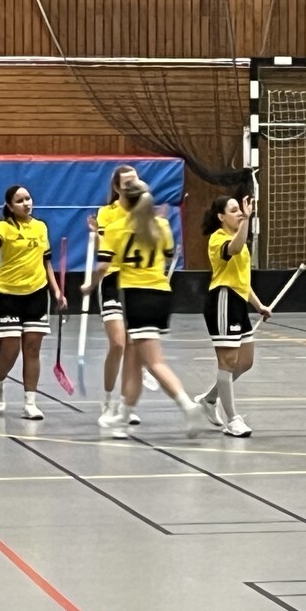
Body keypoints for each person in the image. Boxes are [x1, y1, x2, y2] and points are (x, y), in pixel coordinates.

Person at [90, 180, 204, 437]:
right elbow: (169, 254)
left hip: (137, 297)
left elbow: (103, 266)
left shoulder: (117, 228)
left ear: (125, 201)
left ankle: (187, 405)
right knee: (134, 360)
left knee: (154, 362)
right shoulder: (161, 225)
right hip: (161, 294)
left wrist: (89, 286)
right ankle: (124, 414)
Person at [0, 185, 66, 419]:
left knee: (32, 349)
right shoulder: (3, 227)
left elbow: (46, 262)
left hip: (36, 294)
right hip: (7, 295)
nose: (26, 203)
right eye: (19, 201)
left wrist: (57, 291)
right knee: (10, 351)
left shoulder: (40, 227)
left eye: (28, 198)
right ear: (10, 206)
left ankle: (30, 402)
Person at [196, 195, 270, 438]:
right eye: (234, 210)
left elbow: (242, 281)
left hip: (238, 301)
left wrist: (259, 305)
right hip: (223, 300)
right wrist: (247, 220)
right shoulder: (218, 239)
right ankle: (233, 420)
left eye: (241, 210)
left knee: (245, 361)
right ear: (221, 217)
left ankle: (209, 399)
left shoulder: (241, 241)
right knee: (227, 362)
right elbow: (234, 248)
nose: (239, 213)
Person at [89, 164, 142, 426]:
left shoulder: (144, 210)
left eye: (136, 180)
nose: (133, 185)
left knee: (133, 347)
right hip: (112, 280)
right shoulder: (107, 212)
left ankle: (125, 405)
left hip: (138, 281)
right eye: (127, 182)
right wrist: (95, 235)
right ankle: (107, 401)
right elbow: (103, 249)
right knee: (118, 344)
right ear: (117, 187)